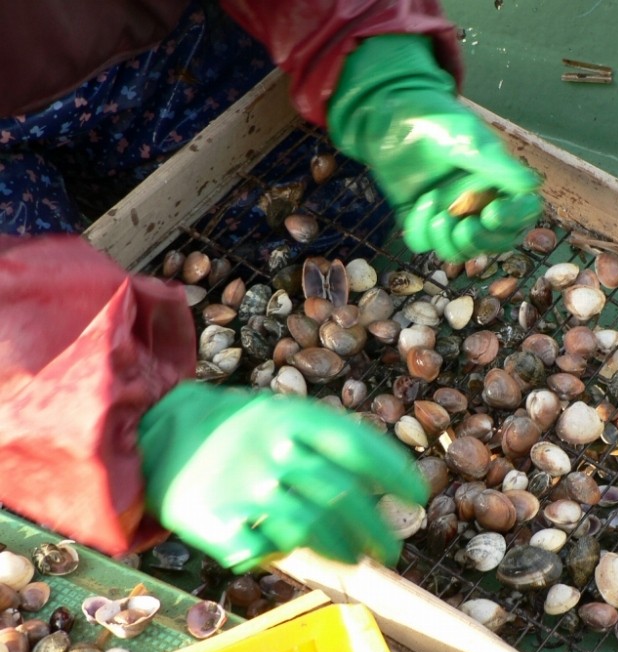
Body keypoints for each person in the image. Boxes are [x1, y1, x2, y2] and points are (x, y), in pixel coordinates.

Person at [0, 1, 543, 572]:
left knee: (317, 210)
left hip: (160, 38)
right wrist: (119, 423)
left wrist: (376, 61)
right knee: (61, 501)